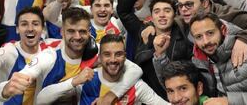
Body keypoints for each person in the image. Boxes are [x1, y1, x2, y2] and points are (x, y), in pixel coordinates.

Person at [0, 7, 142, 105]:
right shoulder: (49, 56)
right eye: (71, 31)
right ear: (62, 32)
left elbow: (135, 70)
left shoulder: (98, 51)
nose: (77, 37)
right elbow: (36, 96)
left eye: (82, 31)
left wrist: (111, 95)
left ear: (89, 31)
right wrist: (5, 89)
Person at [0, 7, 61, 105]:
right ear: (17, 29)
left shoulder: (51, 48)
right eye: (24, 24)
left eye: (35, 24)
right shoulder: (8, 52)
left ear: (42, 29)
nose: (30, 29)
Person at [39, 34, 169, 105]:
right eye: (107, 54)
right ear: (100, 57)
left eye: (118, 54)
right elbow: (41, 100)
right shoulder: (86, 80)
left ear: (125, 56)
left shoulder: (137, 86)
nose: (113, 59)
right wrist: (73, 82)